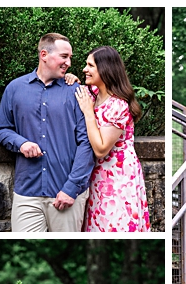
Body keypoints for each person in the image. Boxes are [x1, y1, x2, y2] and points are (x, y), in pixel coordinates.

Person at [0, 33, 96, 232]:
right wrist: (20, 143)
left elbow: (87, 143)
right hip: (27, 193)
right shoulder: (15, 89)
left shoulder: (76, 91)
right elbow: (1, 128)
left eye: (70, 58)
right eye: (64, 56)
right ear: (44, 54)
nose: (69, 62)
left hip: (66, 193)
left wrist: (71, 188)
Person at [75, 46, 150, 232]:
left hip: (117, 179)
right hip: (97, 177)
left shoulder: (118, 105)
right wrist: (71, 79)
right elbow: (78, 88)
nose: (85, 69)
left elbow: (101, 149)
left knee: (114, 225)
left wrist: (88, 113)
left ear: (105, 69)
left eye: (90, 65)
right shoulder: (93, 93)